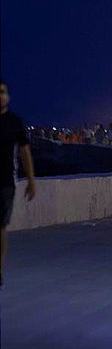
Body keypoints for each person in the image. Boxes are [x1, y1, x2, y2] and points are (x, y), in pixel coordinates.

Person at [0, 81, 36, 285]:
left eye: (3, 92)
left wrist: (31, 179)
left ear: (8, 97)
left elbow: (24, 152)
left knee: (1, 227)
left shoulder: (14, 122)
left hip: (5, 182)